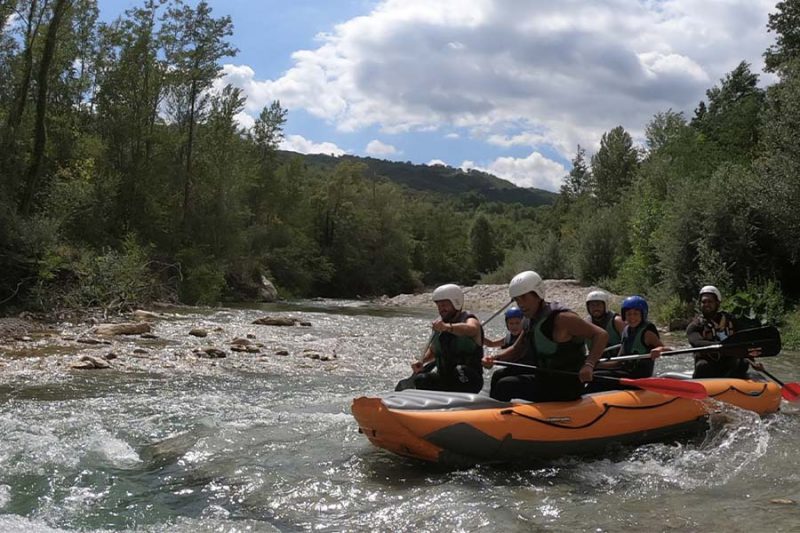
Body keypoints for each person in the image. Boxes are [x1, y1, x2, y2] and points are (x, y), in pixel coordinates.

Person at [482, 271, 609, 402]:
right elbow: (517, 350)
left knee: (506, 385)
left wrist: (589, 365)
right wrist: (493, 358)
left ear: (538, 294)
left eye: (524, 298)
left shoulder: (562, 319)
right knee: (499, 375)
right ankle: (494, 414)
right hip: (545, 377)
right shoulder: (529, 319)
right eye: (517, 300)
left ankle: (500, 418)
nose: (520, 304)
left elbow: (600, 335)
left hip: (566, 384)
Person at [395, 283, 484, 393]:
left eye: (444, 305)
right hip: (446, 379)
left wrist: (447, 327)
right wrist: (422, 361)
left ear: (456, 303)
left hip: (469, 379)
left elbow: (473, 329)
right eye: (439, 306)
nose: (441, 309)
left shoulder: (469, 319)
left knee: (459, 370)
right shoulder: (440, 325)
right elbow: (433, 351)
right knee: (421, 379)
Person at [587, 295, 666, 393]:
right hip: (626, 372)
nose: (632, 317)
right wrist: (592, 365)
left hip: (639, 377)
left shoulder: (647, 333)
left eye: (636, 314)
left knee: (596, 378)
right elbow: (618, 362)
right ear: (624, 316)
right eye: (628, 314)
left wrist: (659, 350)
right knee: (594, 374)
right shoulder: (626, 331)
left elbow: (666, 349)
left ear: (643, 314)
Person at [687, 285, 749, 379]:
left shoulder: (731, 320)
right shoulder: (694, 326)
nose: (706, 304)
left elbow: (744, 340)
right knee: (702, 365)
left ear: (717, 303)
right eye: (704, 302)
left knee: (744, 362)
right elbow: (697, 343)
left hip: (729, 362)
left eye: (710, 301)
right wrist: (722, 345)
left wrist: (754, 361)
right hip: (708, 364)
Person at [483, 306, 525, 395]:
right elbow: (492, 344)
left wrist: (496, 357)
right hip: (513, 369)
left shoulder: (525, 336)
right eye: (511, 323)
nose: (514, 326)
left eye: (517, 323)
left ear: (524, 323)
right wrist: (478, 335)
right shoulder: (508, 338)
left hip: (524, 369)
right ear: (507, 324)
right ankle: (493, 400)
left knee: (503, 382)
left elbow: (515, 350)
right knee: (497, 375)